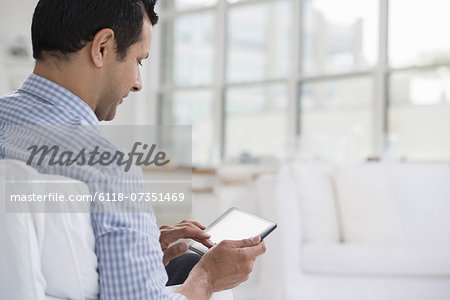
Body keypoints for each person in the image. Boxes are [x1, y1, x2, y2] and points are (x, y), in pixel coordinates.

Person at [0, 0, 266, 299]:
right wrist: (208, 277)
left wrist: (143, 245)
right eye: (138, 60)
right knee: (197, 267)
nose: (138, 83)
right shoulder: (107, 166)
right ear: (102, 47)